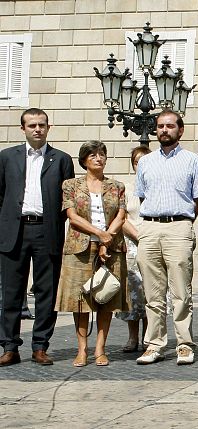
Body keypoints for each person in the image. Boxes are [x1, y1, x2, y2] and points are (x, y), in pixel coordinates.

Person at [0, 108, 75, 367]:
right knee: (11, 292)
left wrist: (55, 223)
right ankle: (9, 346)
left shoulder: (61, 159)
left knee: (47, 292)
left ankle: (40, 346)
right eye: (32, 125)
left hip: (46, 231)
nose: (37, 129)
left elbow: (68, 201)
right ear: (23, 129)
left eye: (41, 125)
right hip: (14, 231)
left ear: (48, 127)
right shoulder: (7, 157)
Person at [135, 110, 198, 366]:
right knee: (152, 294)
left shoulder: (191, 160)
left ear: (180, 130)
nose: (164, 130)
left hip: (179, 226)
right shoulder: (145, 162)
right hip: (150, 227)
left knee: (181, 292)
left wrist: (184, 223)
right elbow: (143, 196)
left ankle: (184, 344)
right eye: (160, 126)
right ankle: (154, 344)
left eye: (170, 126)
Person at [55, 141, 128, 367]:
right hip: (80, 247)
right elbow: (72, 216)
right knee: (80, 300)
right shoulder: (71, 185)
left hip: (112, 247)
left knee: (107, 297)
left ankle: (100, 349)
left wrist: (107, 238)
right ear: (84, 160)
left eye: (102, 154)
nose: (98, 158)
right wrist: (98, 233)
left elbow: (121, 215)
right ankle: (82, 350)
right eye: (93, 155)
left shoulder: (117, 186)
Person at [117, 145, 151, 353]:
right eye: (137, 162)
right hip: (131, 245)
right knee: (132, 293)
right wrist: (139, 237)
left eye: (145, 161)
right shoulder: (126, 189)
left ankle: (149, 337)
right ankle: (132, 338)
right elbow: (120, 218)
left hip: (153, 244)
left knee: (151, 293)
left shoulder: (158, 187)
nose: (141, 166)